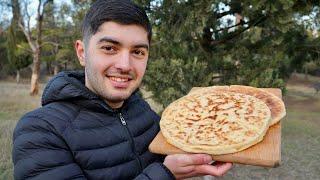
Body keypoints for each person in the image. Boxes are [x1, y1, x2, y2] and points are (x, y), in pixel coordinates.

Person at [12, 0, 233, 179]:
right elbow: (164, 168)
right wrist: (165, 174)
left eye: (138, 52)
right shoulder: (39, 131)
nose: (125, 65)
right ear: (82, 52)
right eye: (109, 48)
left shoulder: (140, 108)